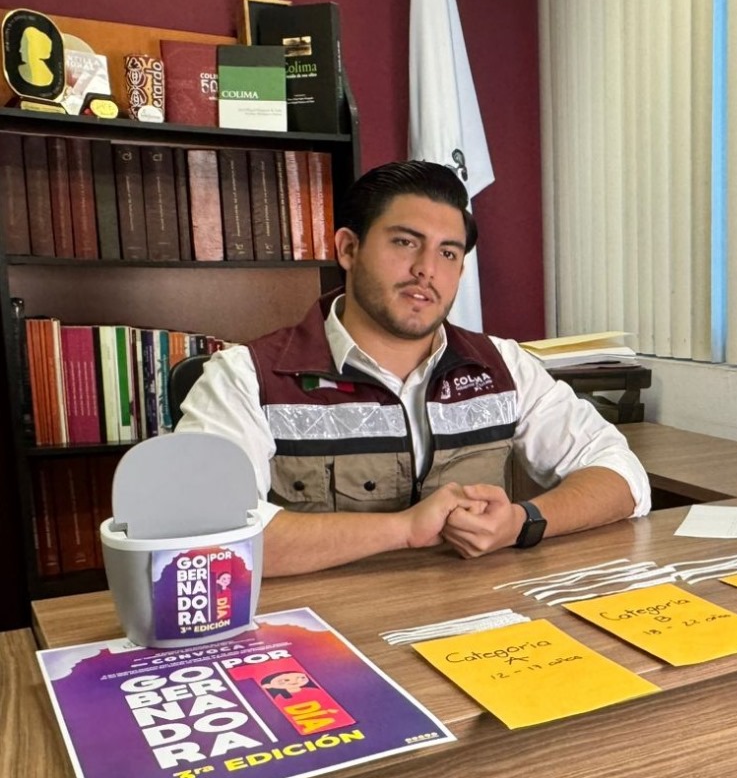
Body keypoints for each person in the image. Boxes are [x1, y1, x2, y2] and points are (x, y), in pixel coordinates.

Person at [175, 160, 650, 577]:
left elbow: (622, 475)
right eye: (405, 242)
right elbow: (201, 535)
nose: (427, 269)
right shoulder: (246, 377)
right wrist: (402, 529)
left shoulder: (501, 366)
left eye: (448, 252)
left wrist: (521, 521)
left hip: (477, 619)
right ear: (348, 249)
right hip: (324, 629)